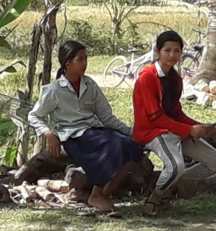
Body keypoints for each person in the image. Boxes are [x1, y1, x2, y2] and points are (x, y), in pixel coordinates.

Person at [28, 40, 143, 216]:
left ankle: (101, 195)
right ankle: (97, 195)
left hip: (94, 131)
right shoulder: (53, 90)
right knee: (113, 145)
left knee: (130, 145)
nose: (85, 63)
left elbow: (106, 117)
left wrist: (132, 132)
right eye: (80, 59)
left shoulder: (90, 85)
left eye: (86, 59)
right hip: (73, 136)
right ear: (67, 63)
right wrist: (48, 134)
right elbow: (34, 115)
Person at [132, 30, 216, 216]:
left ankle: (169, 184)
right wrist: (189, 130)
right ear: (158, 51)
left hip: (174, 130)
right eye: (167, 50)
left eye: (176, 51)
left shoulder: (175, 79)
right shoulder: (147, 77)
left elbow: (176, 112)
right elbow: (155, 117)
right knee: (176, 166)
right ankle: (155, 198)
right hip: (153, 132)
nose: (172, 55)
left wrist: (201, 126)